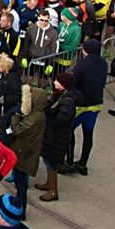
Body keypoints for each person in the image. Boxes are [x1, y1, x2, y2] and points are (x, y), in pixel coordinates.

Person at [65, 39, 107, 174]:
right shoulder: (104, 63)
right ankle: (83, 164)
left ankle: (69, 161)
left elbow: (75, 82)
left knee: (69, 130)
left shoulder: (82, 64)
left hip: (81, 104)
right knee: (88, 134)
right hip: (96, 104)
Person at [35, 72, 78, 202]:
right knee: (49, 162)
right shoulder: (61, 96)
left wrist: (49, 114)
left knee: (51, 163)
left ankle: (53, 190)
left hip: (57, 138)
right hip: (53, 136)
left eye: (57, 81)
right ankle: (49, 183)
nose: (54, 82)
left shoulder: (67, 102)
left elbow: (59, 121)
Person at [8, 86, 47, 217]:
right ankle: (20, 208)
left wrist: (16, 117)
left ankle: (20, 210)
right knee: (21, 182)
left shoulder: (33, 119)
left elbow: (17, 130)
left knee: (21, 185)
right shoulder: (38, 114)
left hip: (24, 153)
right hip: (27, 151)